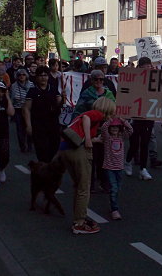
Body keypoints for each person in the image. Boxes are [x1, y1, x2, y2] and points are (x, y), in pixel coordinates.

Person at [48, 97, 117, 234]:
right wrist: (88, 140)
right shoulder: (97, 114)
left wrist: (94, 139)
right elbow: (86, 118)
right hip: (77, 150)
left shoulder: (89, 116)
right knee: (84, 187)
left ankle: (79, 218)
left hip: (65, 149)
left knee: (79, 185)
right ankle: (79, 222)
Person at [24, 66, 62, 163]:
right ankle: (43, 168)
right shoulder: (33, 91)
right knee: (42, 149)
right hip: (38, 125)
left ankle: (48, 167)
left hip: (53, 124)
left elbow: (60, 104)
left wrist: (64, 98)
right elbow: (26, 109)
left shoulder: (53, 89)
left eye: (45, 75)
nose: (43, 77)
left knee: (54, 146)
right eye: (40, 75)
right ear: (36, 77)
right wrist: (28, 125)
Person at [125, 57, 156, 181]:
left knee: (145, 143)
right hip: (135, 116)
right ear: (140, 67)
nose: (148, 68)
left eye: (149, 65)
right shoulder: (134, 78)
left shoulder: (154, 79)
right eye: (145, 66)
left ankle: (143, 168)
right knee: (134, 143)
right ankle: (128, 161)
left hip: (148, 115)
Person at [99, 117, 133, 220]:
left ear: (120, 128)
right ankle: (115, 209)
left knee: (117, 188)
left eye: (116, 127)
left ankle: (113, 202)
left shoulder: (122, 137)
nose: (114, 129)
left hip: (120, 167)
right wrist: (110, 120)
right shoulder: (107, 138)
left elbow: (131, 130)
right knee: (114, 188)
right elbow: (104, 128)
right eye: (112, 127)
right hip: (109, 167)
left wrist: (123, 120)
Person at [9, 68, 34, 153]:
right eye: (19, 75)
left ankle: (30, 145)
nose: (21, 76)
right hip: (18, 109)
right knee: (20, 129)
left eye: (23, 75)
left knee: (29, 127)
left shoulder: (31, 85)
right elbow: (12, 98)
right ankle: (22, 146)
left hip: (29, 109)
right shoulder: (14, 86)